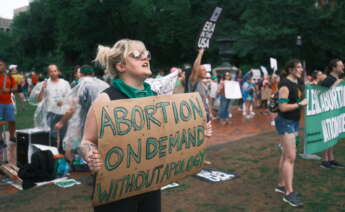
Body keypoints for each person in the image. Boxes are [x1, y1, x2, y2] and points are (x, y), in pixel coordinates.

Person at [79, 39, 161, 212]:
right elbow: (87, 141)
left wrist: (195, 131)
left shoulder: (154, 97)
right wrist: (91, 155)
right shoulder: (106, 99)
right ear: (121, 66)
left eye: (147, 54)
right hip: (117, 190)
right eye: (137, 55)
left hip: (150, 184)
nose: (145, 57)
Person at [54, 65, 109, 162]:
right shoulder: (104, 84)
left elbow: (73, 108)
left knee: (75, 149)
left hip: (87, 124)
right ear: (92, 74)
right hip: (106, 123)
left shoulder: (82, 85)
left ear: (81, 74)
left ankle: (76, 170)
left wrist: (61, 122)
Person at [274, 59, 307, 207]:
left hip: (294, 122)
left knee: (285, 155)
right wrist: (300, 104)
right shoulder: (285, 85)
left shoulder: (298, 82)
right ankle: (288, 193)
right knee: (290, 157)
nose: (301, 69)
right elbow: (282, 107)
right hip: (285, 122)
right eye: (298, 67)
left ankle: (281, 185)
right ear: (291, 69)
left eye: (301, 67)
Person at [36, 64, 71, 153]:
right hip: (51, 113)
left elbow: (70, 98)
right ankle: (53, 155)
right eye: (51, 71)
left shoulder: (65, 83)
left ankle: (62, 156)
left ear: (58, 71)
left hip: (64, 114)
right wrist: (42, 89)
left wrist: (63, 101)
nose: (53, 73)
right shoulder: (45, 83)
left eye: (55, 71)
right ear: (48, 73)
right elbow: (39, 100)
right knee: (52, 137)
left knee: (64, 137)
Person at [318, 59, 344, 169]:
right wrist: (336, 84)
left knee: (333, 136)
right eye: (340, 66)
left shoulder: (336, 78)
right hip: (327, 113)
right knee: (328, 136)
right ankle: (325, 161)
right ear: (334, 68)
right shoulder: (329, 80)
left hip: (335, 112)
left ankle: (331, 159)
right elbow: (321, 95)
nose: (343, 67)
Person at [0, 59, 18, 165]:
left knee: (12, 120)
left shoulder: (9, 77)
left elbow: (15, 87)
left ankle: (12, 136)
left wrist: (9, 90)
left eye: (0, 65)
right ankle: (0, 139)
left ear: (4, 66)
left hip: (8, 102)